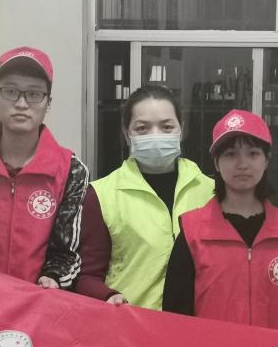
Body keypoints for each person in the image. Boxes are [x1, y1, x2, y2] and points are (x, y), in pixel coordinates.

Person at [0, 46, 88, 288]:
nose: (21, 104)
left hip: (37, 300)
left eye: (34, 94)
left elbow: (66, 251)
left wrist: (53, 278)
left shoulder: (71, 170)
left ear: (48, 102)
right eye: (10, 91)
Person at [162, 110, 278, 332]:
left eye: (253, 154)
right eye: (231, 154)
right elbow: (174, 316)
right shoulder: (193, 232)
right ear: (216, 162)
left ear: (267, 160)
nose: (243, 164)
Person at [76, 84, 213, 308]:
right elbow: (87, 275)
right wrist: (107, 295)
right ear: (126, 134)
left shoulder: (211, 191)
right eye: (142, 128)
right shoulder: (102, 195)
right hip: (132, 320)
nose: (155, 135)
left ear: (182, 129)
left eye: (166, 127)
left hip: (196, 322)